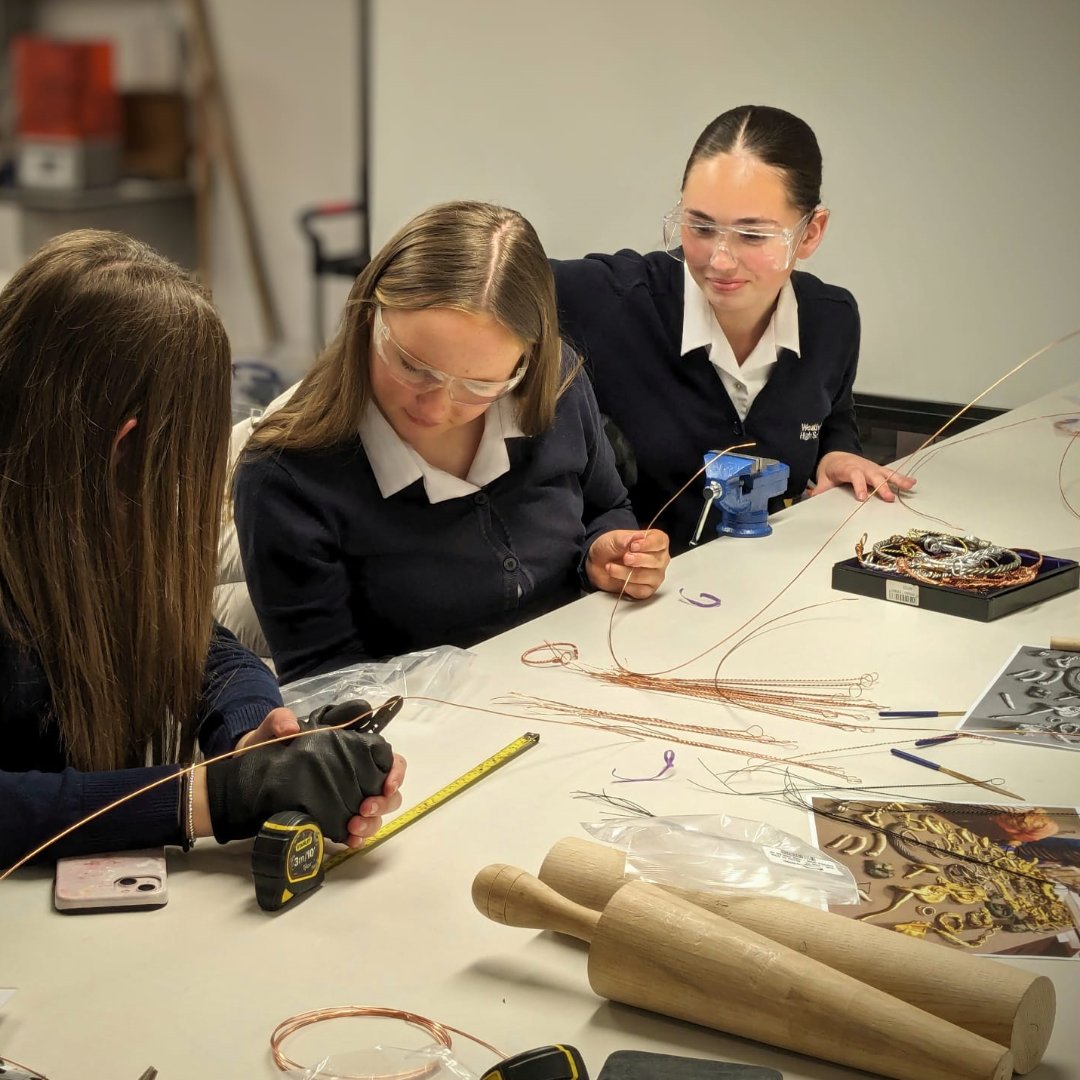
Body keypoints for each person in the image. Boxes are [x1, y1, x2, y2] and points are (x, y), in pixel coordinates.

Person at [0, 230, 405, 869]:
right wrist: (207, 797)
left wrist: (258, 737)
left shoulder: (68, 510)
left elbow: (196, 642)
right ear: (126, 447)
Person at [234, 201, 670, 684]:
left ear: (526, 363)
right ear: (369, 318)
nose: (435, 409)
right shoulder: (287, 474)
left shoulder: (556, 383)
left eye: (479, 386)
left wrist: (604, 551)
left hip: (578, 674)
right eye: (412, 367)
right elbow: (326, 685)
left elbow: (607, 506)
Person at [552, 104, 915, 554]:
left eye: (754, 235)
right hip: (631, 604)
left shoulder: (831, 319)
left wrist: (835, 454)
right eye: (700, 226)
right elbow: (476, 276)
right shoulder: (607, 300)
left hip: (763, 592)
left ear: (811, 232)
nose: (720, 260)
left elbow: (831, 418)